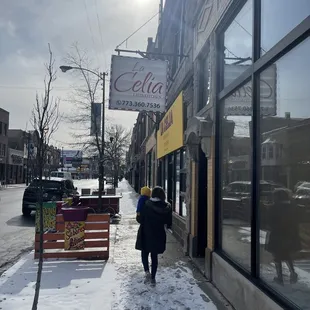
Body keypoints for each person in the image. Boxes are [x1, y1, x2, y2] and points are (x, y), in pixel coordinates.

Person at [135, 186, 172, 286]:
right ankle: (153, 277)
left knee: (144, 252)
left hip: (145, 232)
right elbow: (169, 222)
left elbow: (139, 219)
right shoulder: (166, 207)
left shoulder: (146, 205)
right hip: (158, 234)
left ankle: (147, 271)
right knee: (154, 256)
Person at [265, 188, 301, 285]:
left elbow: (269, 222)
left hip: (277, 234)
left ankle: (280, 277)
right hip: (289, 235)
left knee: (277, 256)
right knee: (286, 255)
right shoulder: (292, 207)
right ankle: (292, 273)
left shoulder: (274, 208)